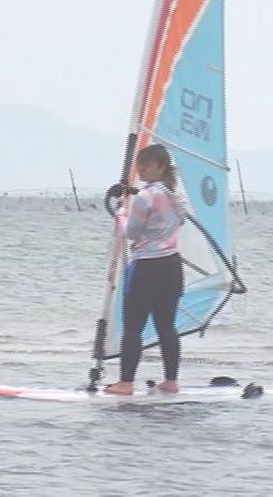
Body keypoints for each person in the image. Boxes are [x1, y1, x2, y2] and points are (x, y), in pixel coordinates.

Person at [105, 144, 187, 395]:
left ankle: (126, 383)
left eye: (146, 165)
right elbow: (178, 219)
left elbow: (131, 232)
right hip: (172, 266)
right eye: (138, 165)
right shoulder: (178, 195)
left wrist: (120, 213)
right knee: (167, 326)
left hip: (147, 267)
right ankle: (171, 381)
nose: (140, 170)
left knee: (133, 327)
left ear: (160, 167)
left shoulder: (145, 197)